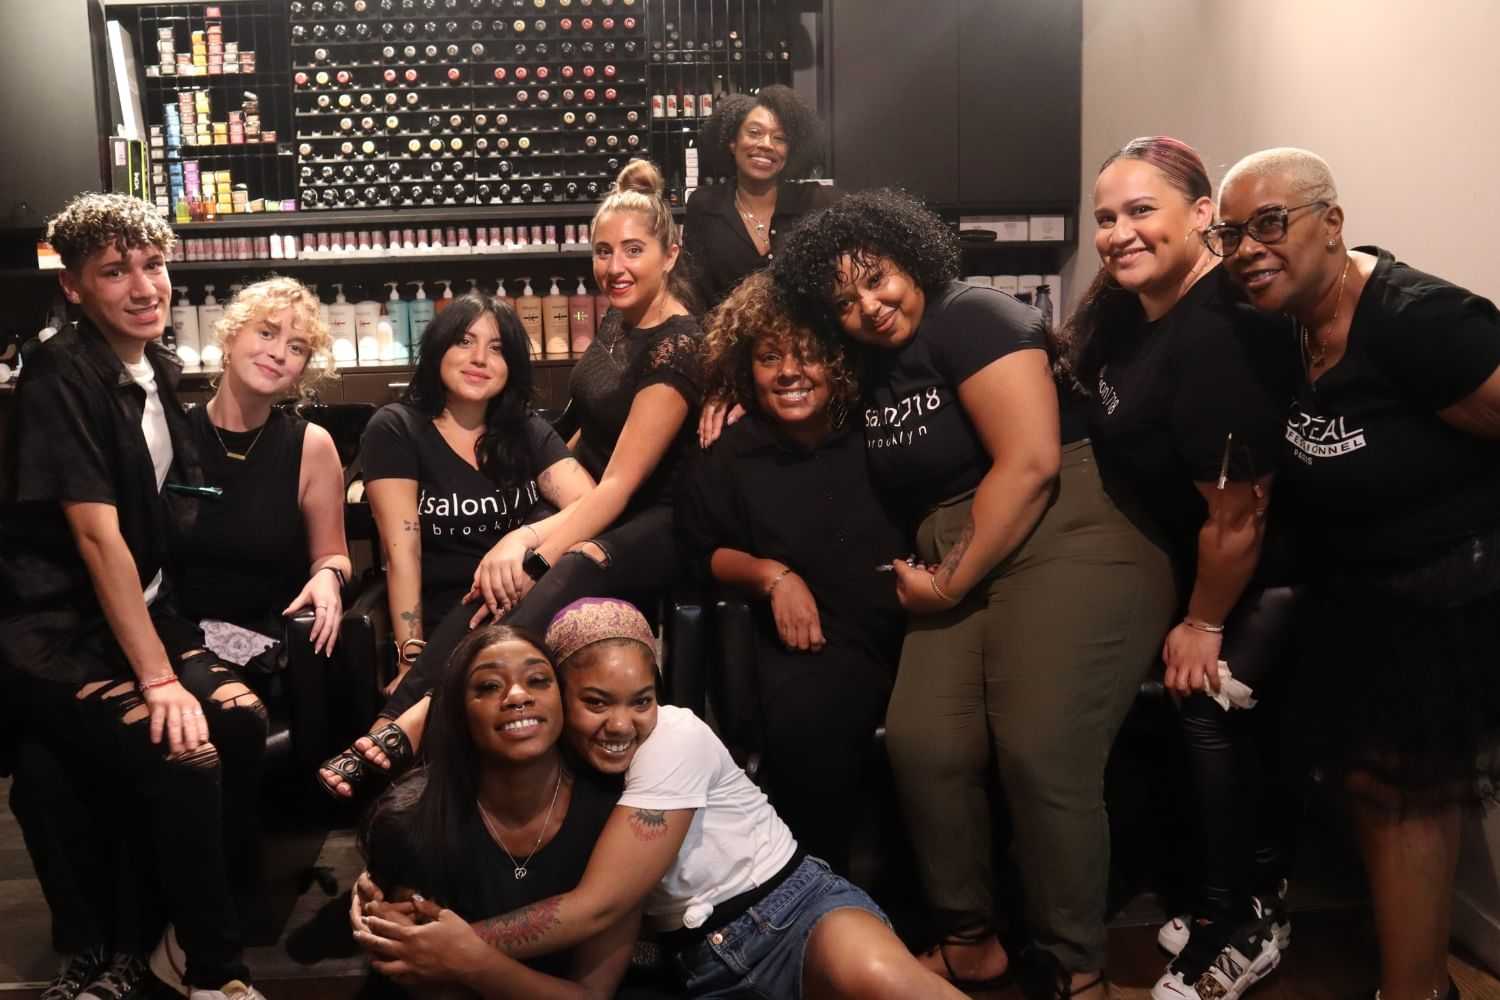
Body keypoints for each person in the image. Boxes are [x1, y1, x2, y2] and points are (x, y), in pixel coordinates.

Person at [767, 190, 1176, 998]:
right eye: (844, 302)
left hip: (1067, 534)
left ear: (909, 255)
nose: (868, 307)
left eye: (876, 280)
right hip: (963, 552)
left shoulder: (972, 314)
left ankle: (1075, 964)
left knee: (1039, 745)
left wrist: (949, 580)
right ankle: (968, 942)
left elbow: (1030, 464)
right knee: (924, 740)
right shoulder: (874, 363)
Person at [352, 598, 969, 1000]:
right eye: (596, 702)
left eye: (640, 699)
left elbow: (597, 908)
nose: (623, 724)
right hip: (702, 968)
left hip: (792, 909)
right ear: (563, 698)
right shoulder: (561, 771)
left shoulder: (674, 736)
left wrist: (461, 949)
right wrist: (382, 893)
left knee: (893, 986)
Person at [323, 158, 706, 798]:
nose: (614, 267)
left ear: (671, 253)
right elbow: (586, 428)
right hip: (608, 506)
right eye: (603, 251)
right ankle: (389, 723)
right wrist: (540, 489)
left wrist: (527, 538)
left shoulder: (676, 345)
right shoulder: (618, 320)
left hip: (661, 517)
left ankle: (416, 721)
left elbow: (615, 487)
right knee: (498, 586)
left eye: (633, 251)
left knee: (561, 563)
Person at [1217, 147, 1500, 1000]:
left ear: (1332, 224)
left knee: (1405, 790)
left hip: (1446, 594)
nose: (1248, 249)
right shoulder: (1291, 320)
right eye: (1233, 233)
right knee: (1374, 791)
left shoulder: (1421, 321)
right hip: (1361, 593)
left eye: (1271, 224)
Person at [0, 192, 268, 1000]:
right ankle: (216, 971)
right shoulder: (59, 375)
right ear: (75, 287)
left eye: (152, 265)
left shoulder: (157, 370)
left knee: (243, 720)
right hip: (57, 630)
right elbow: (95, 538)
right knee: (187, 750)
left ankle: (171, 934)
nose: (144, 286)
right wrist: (159, 678)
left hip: (144, 610)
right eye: (115, 272)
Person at [1066, 137, 1300, 1000]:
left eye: (1141, 212)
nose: (1119, 234)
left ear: (1203, 215)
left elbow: (1241, 514)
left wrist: (1202, 623)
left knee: (1204, 704)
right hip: (1204, 557)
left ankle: (1240, 923)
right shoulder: (1139, 312)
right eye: (1106, 218)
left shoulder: (1215, 335)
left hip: (1264, 566)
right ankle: (1232, 897)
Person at [319, 292, 594, 797]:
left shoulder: (525, 429)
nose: (479, 359)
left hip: (526, 598)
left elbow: (592, 504)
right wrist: (409, 653)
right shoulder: (397, 428)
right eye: (465, 341)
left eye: (496, 348)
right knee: (486, 616)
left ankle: (403, 722)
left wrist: (520, 538)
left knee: (530, 592)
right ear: (437, 348)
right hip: (451, 612)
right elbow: (403, 551)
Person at [677, 270, 906, 873]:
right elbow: (704, 552)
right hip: (812, 639)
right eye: (769, 357)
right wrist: (773, 576)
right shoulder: (732, 449)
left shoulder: (879, 427)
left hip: (912, 626)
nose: (788, 372)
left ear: (839, 358)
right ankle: (815, 902)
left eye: (808, 354)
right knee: (808, 733)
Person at [355, 623, 638, 998]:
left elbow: (592, 994)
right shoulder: (410, 820)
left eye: (538, 680)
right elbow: (424, 979)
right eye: (489, 686)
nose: (518, 695)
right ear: (458, 713)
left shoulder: (614, 812)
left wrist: (471, 960)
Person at [177, 276, 351, 662]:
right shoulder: (171, 434)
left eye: (296, 347)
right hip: (177, 638)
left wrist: (329, 576)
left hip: (268, 643)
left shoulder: (311, 445)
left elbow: (333, 554)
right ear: (230, 336)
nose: (278, 353)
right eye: (267, 333)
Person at [682, 84, 837, 310]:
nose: (766, 145)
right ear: (732, 142)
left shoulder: (816, 202)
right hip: (727, 341)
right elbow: (694, 293)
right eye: (754, 133)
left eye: (779, 138)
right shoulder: (704, 206)